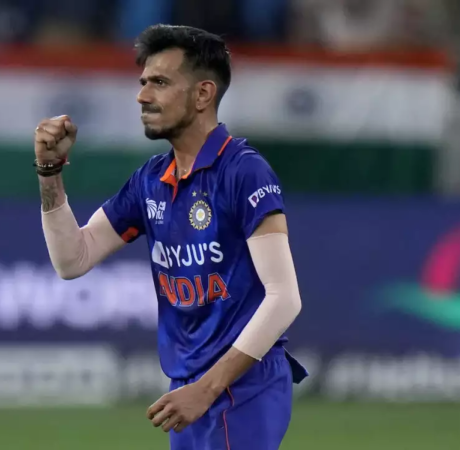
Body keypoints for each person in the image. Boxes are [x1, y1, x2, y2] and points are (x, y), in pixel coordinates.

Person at [35, 24, 307, 450]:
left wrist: (209, 388)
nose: (142, 96)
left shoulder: (243, 171)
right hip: (188, 390)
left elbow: (285, 298)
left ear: (202, 94)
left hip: (239, 385)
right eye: (143, 82)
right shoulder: (151, 180)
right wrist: (50, 174)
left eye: (159, 82)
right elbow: (73, 259)